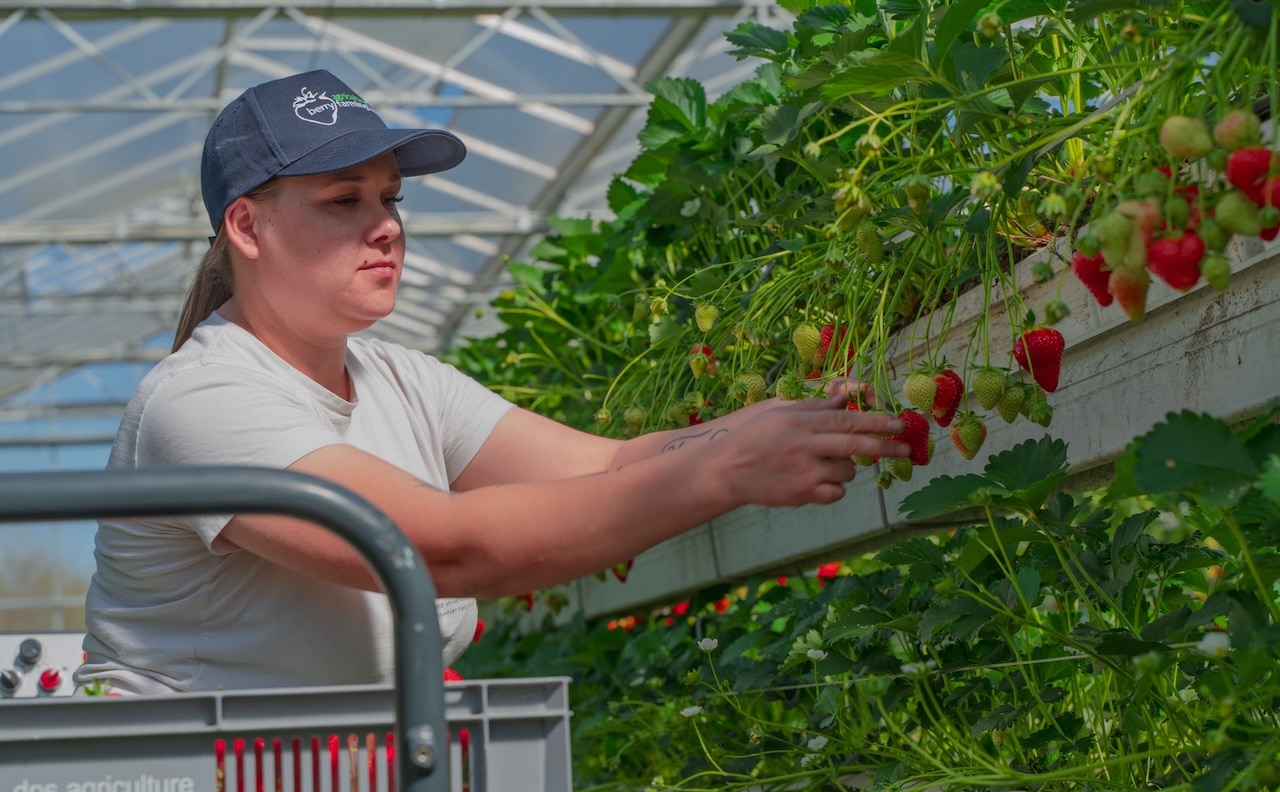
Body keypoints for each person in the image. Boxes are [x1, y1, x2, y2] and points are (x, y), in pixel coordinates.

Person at [74, 69, 909, 695]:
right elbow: (435, 547)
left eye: (392, 198)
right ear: (247, 226)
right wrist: (723, 468)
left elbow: (608, 466)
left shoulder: (401, 380)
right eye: (343, 200)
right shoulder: (202, 401)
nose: (387, 227)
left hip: (345, 791)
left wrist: (766, 423)